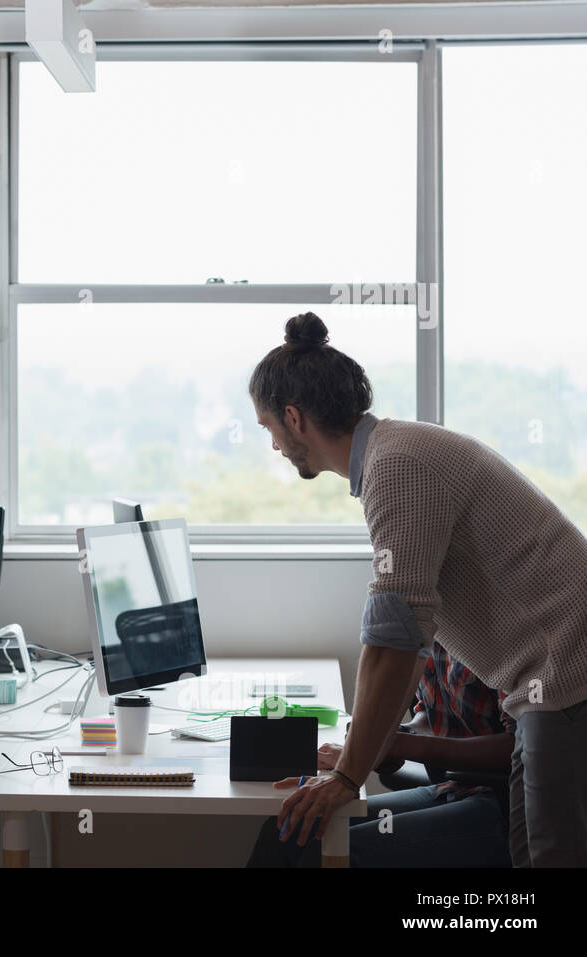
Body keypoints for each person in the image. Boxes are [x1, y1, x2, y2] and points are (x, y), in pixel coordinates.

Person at [250, 312, 587, 867]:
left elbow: (394, 636)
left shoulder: (398, 466)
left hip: (565, 681)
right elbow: (404, 631)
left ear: (293, 417)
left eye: (268, 429)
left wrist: (347, 775)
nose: (275, 447)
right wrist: (360, 755)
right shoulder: (395, 455)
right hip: (547, 685)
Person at [248, 641, 513, 867]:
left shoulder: (501, 638)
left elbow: (518, 746)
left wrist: (389, 744)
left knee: (330, 855)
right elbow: (432, 718)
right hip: (454, 788)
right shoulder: (435, 635)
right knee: (286, 829)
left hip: (507, 803)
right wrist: (388, 736)